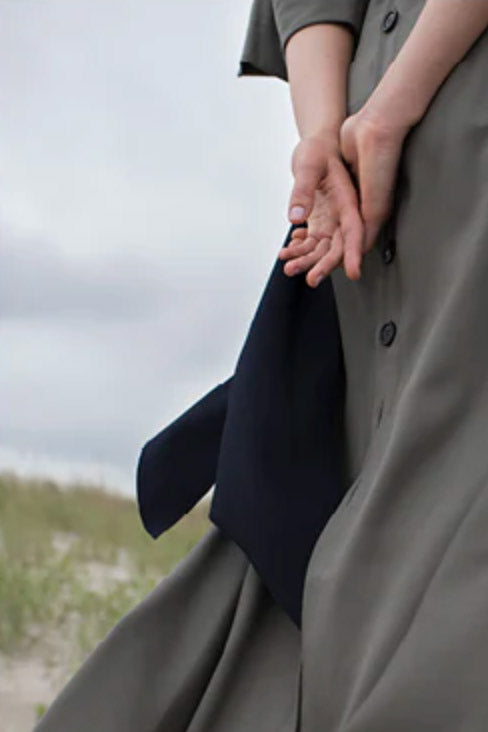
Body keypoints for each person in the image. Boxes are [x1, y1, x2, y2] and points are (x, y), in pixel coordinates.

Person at [34, 1, 488, 730]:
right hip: (436, 120)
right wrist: (390, 110)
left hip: (355, 169)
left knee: (360, 534)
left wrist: (330, 131)